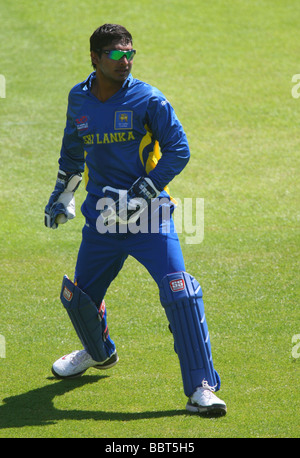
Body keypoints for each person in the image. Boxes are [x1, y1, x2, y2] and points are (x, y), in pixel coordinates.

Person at [44, 23, 227, 416]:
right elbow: (73, 151)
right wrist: (61, 195)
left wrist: (143, 192)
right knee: (81, 301)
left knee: (181, 292)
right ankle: (97, 353)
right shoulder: (79, 99)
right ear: (95, 57)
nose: (124, 60)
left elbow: (179, 149)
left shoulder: (148, 99)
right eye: (115, 54)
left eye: (130, 53)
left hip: (150, 219)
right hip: (102, 222)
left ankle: (201, 388)